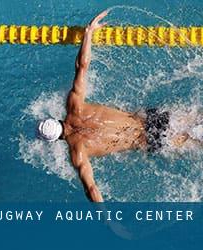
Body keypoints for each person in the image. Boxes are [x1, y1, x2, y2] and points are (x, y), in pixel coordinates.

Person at [37, 11, 189, 202]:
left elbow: (91, 189)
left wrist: (109, 221)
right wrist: (88, 33)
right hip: (151, 118)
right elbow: (82, 66)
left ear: (55, 140)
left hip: (150, 140)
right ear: (55, 119)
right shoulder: (74, 105)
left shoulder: (78, 152)